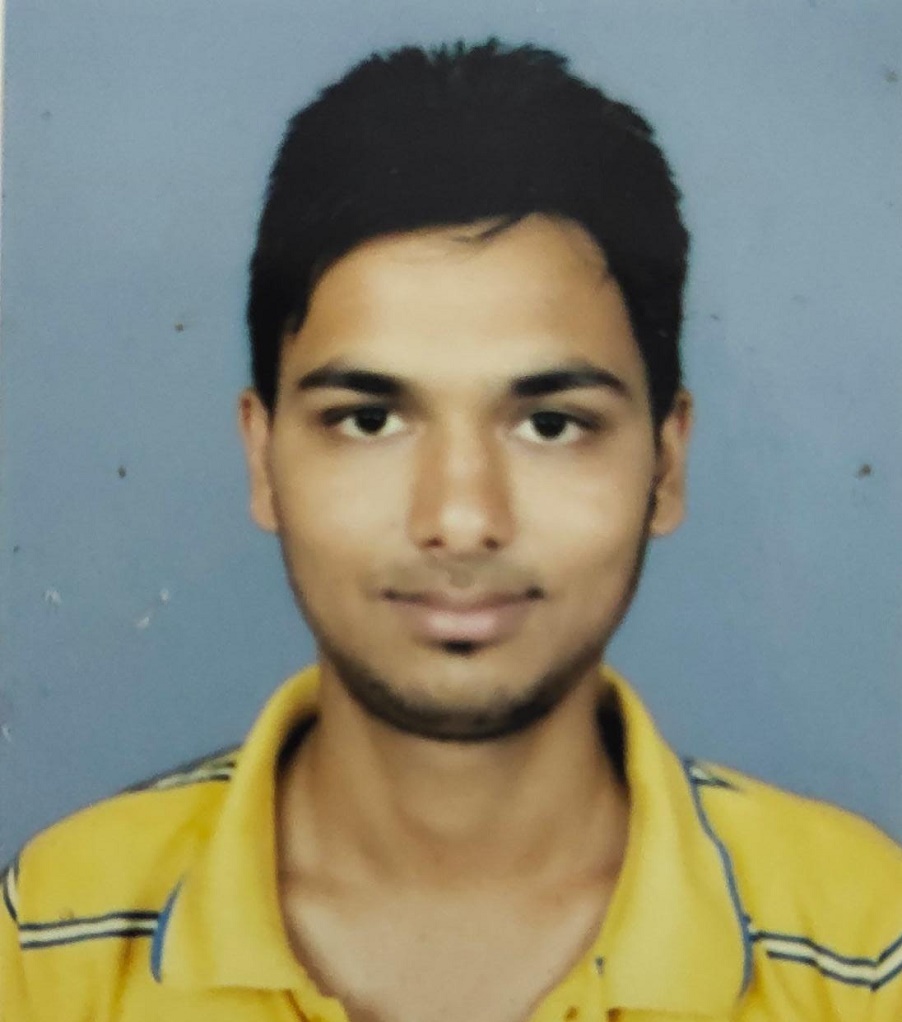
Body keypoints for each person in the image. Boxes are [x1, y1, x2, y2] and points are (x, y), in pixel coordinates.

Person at [2, 38, 900, 1022]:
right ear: (262, 460)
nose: (462, 520)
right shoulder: (55, 937)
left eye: (549, 424)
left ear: (665, 464)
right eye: (369, 420)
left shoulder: (861, 947)